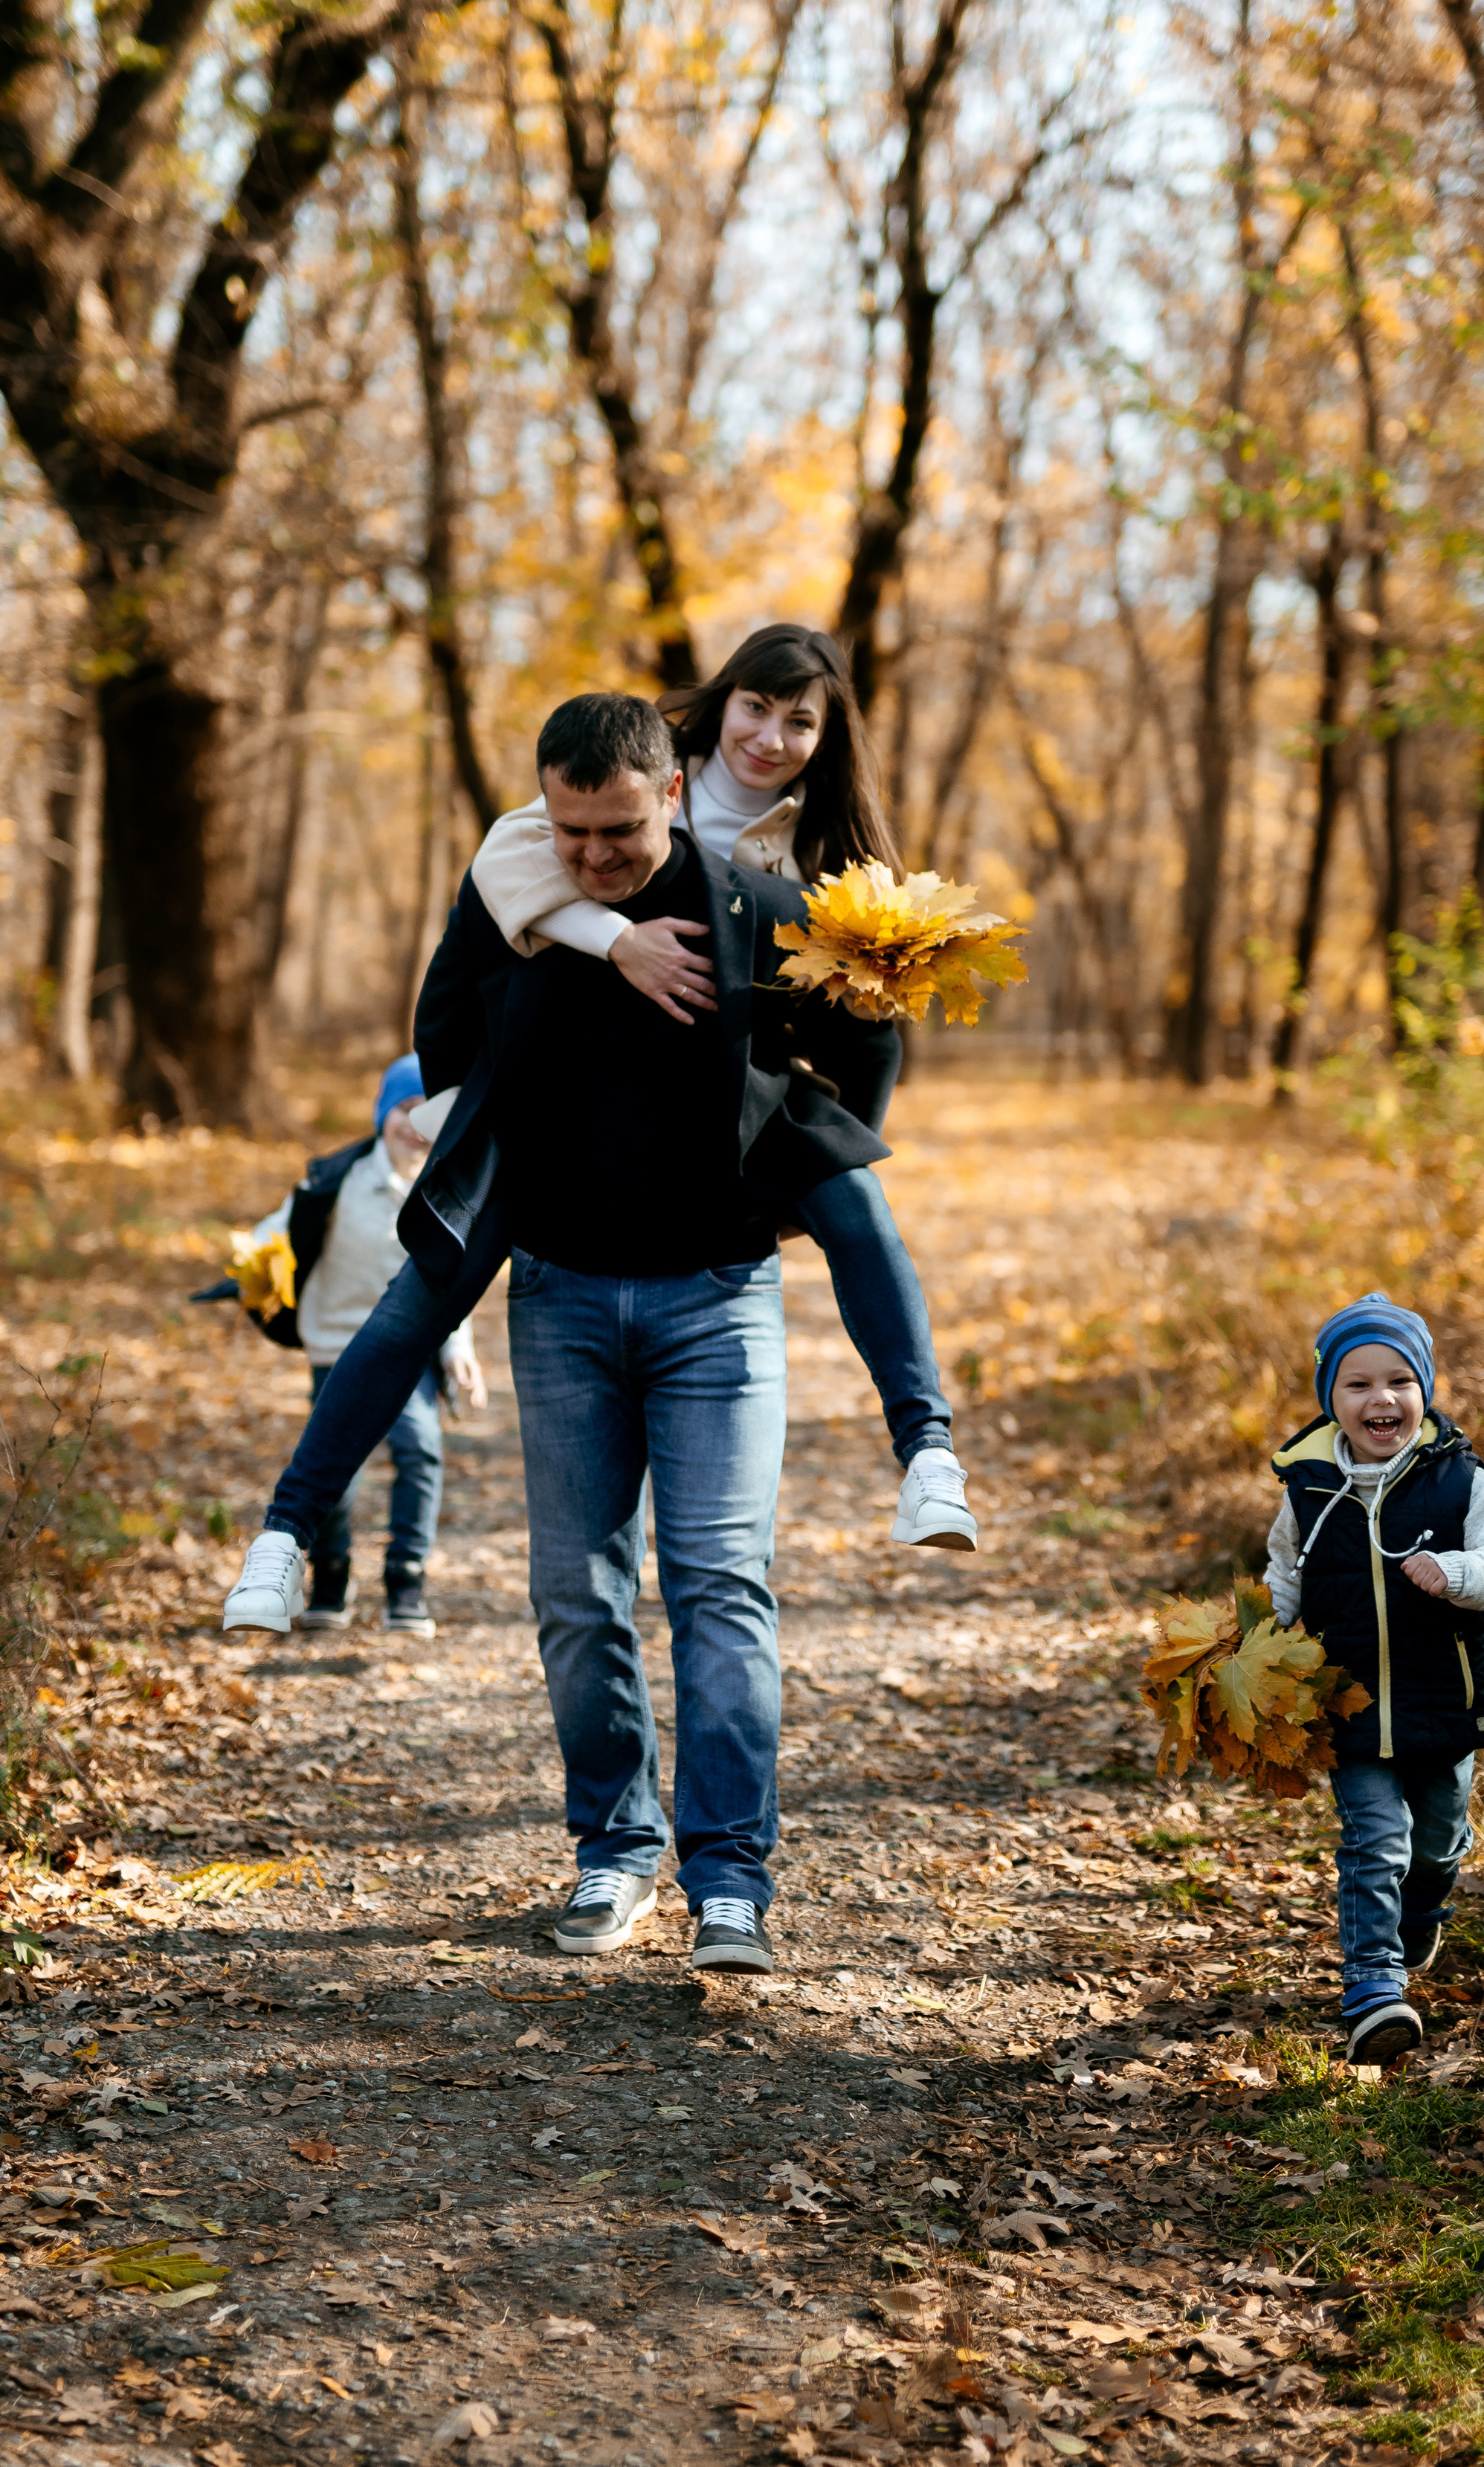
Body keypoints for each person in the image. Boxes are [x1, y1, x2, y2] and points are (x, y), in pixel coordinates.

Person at [225, 693, 904, 1973]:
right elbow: (443, 1029)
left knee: (720, 1588)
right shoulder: (515, 898)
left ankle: (731, 1880)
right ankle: (613, 1848)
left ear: (672, 791)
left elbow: (848, 1077)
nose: (594, 853)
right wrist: (491, 1063)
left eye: (620, 829)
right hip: (564, 1296)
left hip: (719, 1298)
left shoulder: (748, 901)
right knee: (576, 1594)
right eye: (572, 828)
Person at [468, 624, 970, 1551]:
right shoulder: (632, 774)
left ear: (828, 740)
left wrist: (821, 1160)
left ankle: (928, 1454)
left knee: (857, 1197)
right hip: (597, 1096)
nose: (770, 737)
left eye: (800, 722)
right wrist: (616, 938)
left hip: (741, 1098)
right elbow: (502, 863)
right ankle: (296, 1520)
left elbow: (869, 1028)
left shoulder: (830, 852)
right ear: (722, 701)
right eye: (756, 707)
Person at [1264, 1292, 1484, 2067]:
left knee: (1437, 1842)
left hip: (1441, 1702)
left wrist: (1454, 1572)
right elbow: (1286, 1573)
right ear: (1331, 1401)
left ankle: (1421, 1916)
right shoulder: (1309, 1490)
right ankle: (1373, 1992)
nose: (1379, 1399)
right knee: (1373, 1843)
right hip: (1350, 1706)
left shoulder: (1458, 1484)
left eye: (1397, 1382)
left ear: (1422, 1390)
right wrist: (1258, 1628)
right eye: (1356, 1385)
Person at [233, 1054, 485, 1636]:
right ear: (382, 1115)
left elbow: (451, 1276)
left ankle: (406, 1580)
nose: (414, 1125)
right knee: (335, 1471)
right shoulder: (338, 1180)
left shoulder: (444, 1190)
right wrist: (254, 1263)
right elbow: (278, 1230)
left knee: (420, 1450)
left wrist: (457, 1349)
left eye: (428, 1114)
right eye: (404, 1110)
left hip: (410, 1353)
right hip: (337, 1350)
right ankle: (332, 1578)